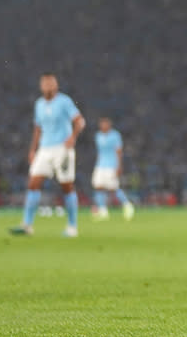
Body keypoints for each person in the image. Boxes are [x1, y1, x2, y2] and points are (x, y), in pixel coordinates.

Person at [11, 73, 86, 237]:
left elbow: (80, 121)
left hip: (62, 148)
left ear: (56, 85)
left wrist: (72, 137)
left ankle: (72, 227)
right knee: (33, 183)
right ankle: (27, 225)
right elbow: (37, 128)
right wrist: (33, 149)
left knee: (66, 186)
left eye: (51, 83)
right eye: (45, 83)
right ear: (41, 86)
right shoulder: (39, 104)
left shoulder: (64, 101)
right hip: (44, 149)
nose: (48, 86)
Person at [92, 117, 134, 221]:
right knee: (98, 186)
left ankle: (127, 205)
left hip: (111, 165)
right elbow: (100, 152)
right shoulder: (98, 136)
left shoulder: (115, 135)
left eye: (105, 124)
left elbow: (119, 151)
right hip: (100, 165)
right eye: (102, 124)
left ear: (109, 125)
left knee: (113, 188)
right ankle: (103, 211)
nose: (103, 126)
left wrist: (119, 166)